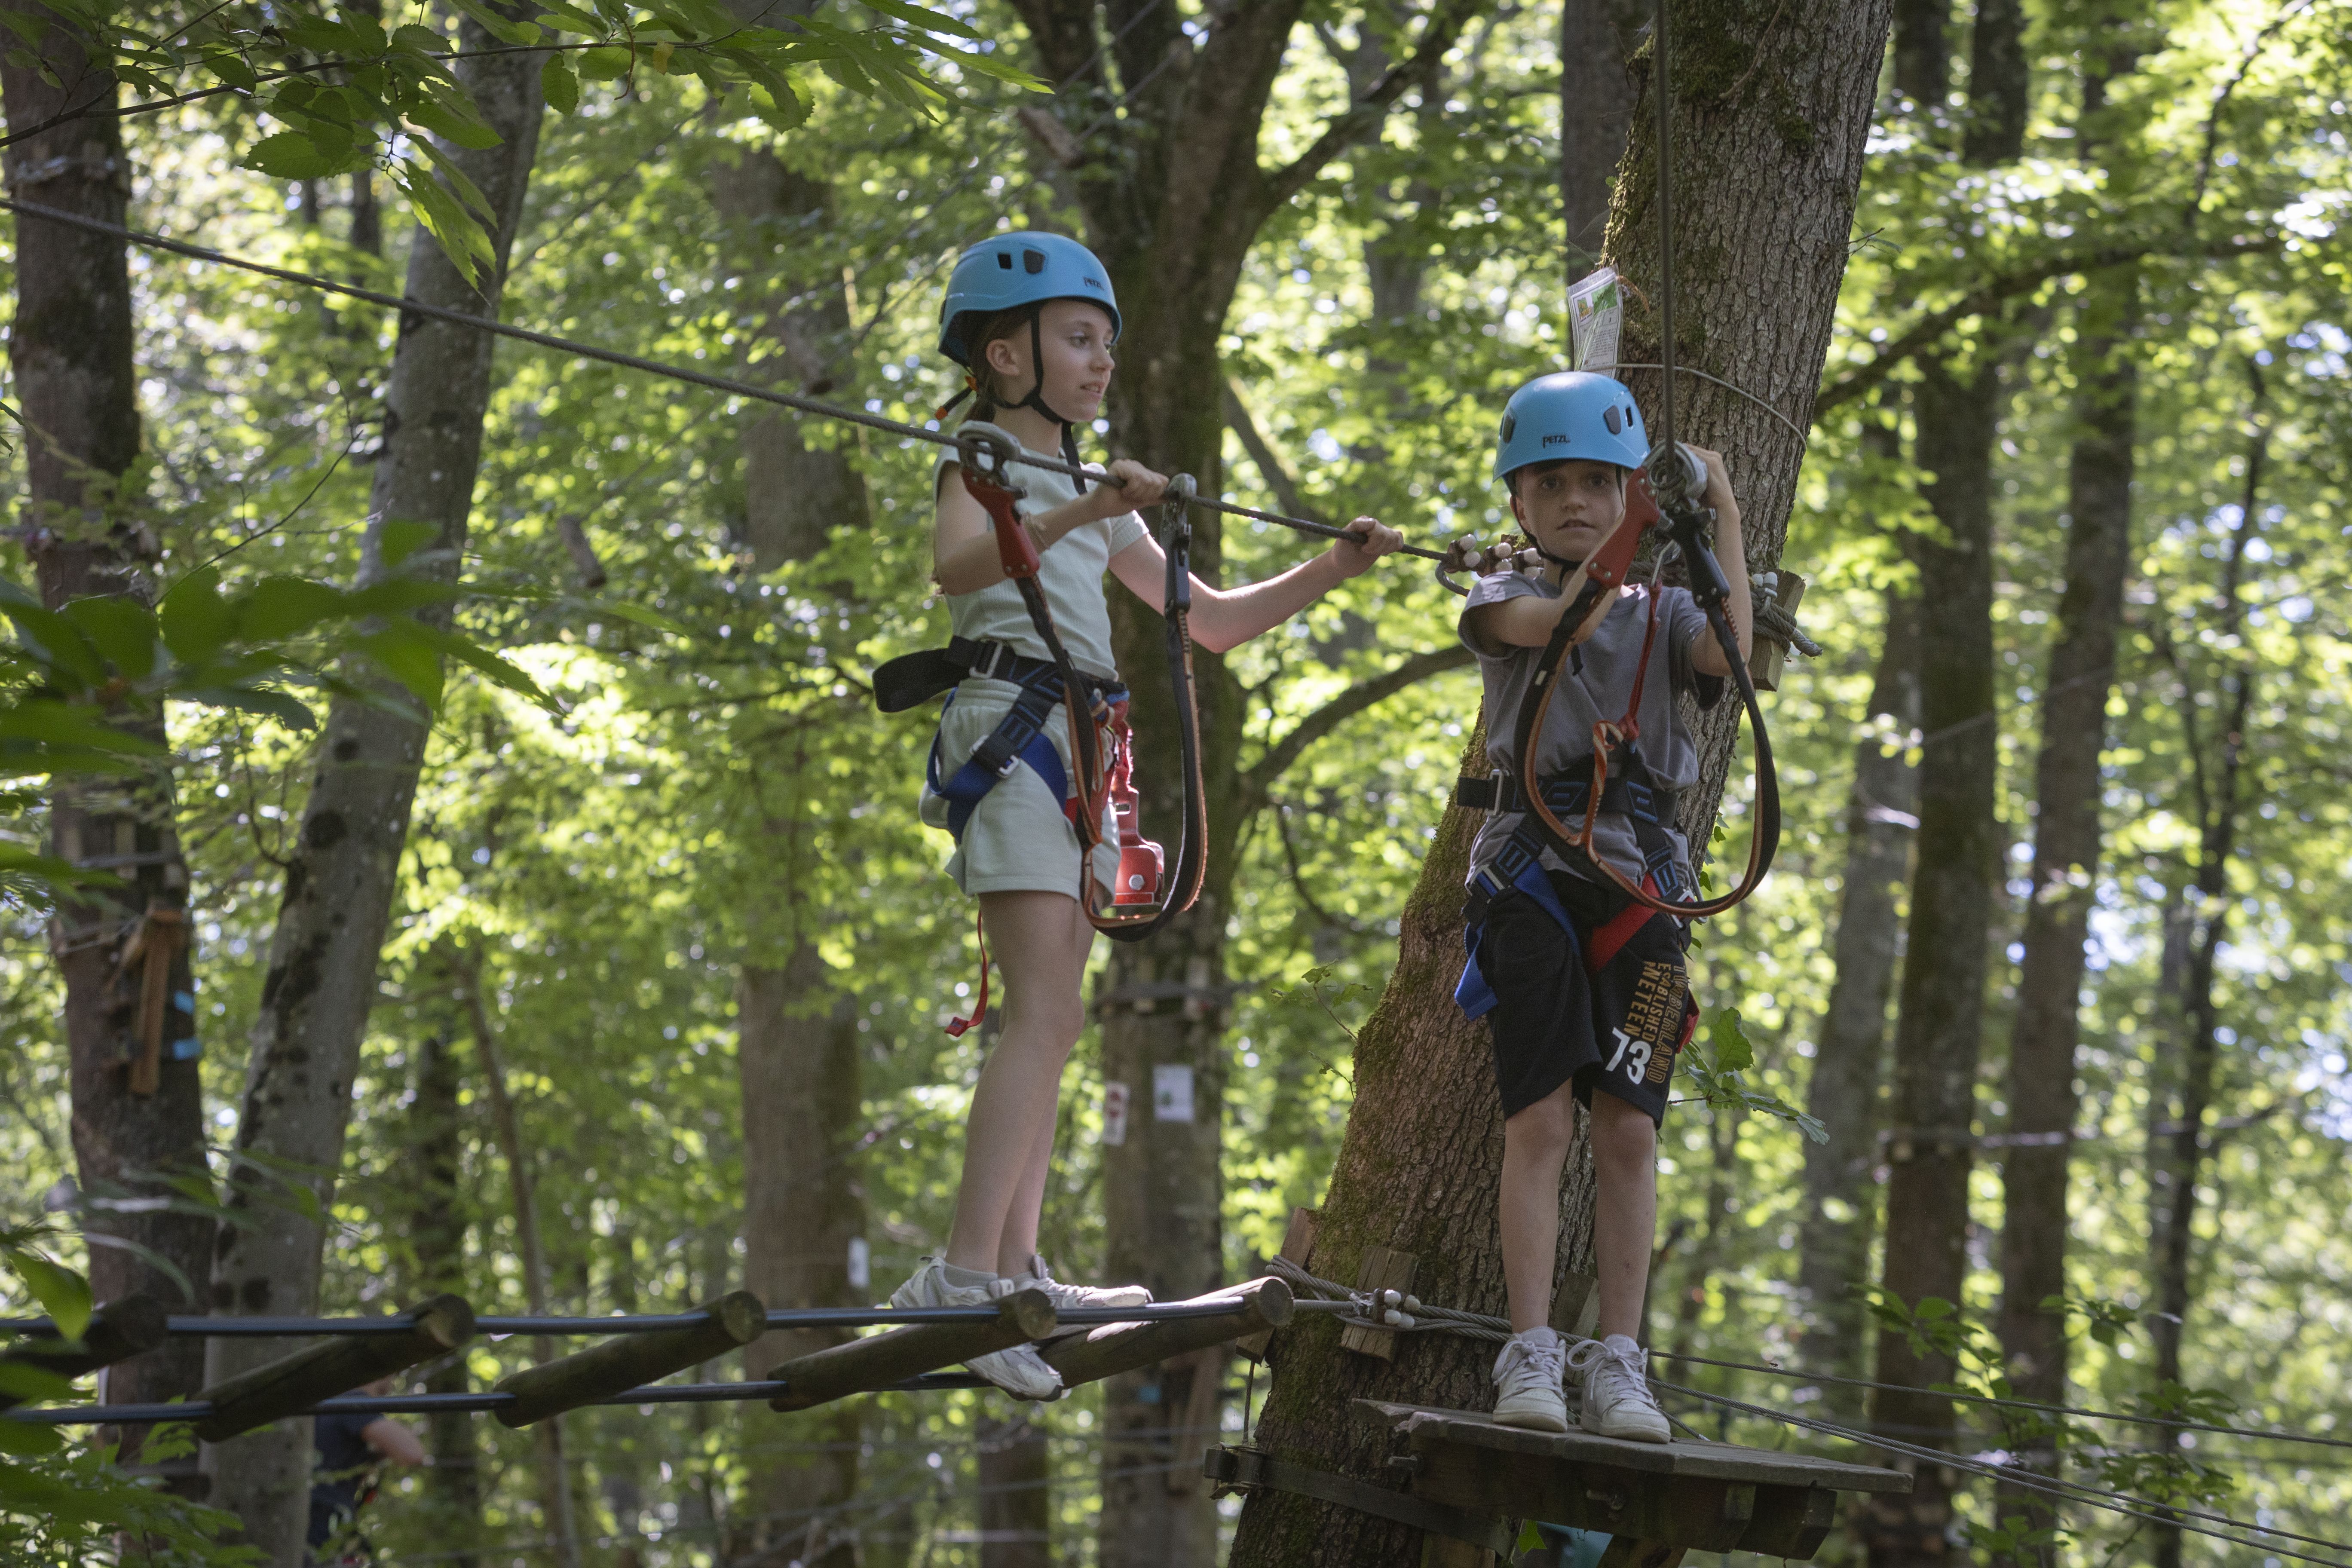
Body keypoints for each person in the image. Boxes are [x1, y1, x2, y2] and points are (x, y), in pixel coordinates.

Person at [896, 230, 1404, 1400]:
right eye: (1078, 339)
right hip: (1012, 732)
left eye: (1106, 345)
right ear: (1004, 355)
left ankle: (1015, 1270)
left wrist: (1330, 569)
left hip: (1080, 751)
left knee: (1058, 1018)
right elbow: (958, 571)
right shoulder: (981, 463)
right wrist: (1082, 508)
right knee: (1042, 1013)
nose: (1100, 361)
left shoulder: (1095, 488)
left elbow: (1207, 622)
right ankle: (963, 1279)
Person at [1450, 371, 1749, 1439]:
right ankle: (1531, 1351)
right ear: (1517, 501)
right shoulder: (1497, 598)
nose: (1575, 501)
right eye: (1551, 485)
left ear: (1626, 493)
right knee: (1538, 1120)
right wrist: (1640, 522)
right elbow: (1563, 622)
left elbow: (1731, 650)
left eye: (1597, 483)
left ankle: (1619, 1361)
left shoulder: (1669, 611)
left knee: (1628, 1130)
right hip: (1530, 882)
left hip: (1638, 892)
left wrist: (1718, 506)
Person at [307, 1377, 425, 1563]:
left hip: (314, 1518)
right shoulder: (354, 1402)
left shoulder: (330, 1405)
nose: (394, 1378)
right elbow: (412, 1453)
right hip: (324, 1521)